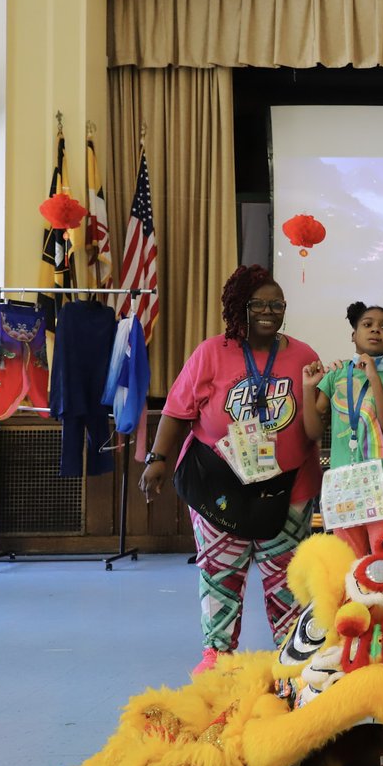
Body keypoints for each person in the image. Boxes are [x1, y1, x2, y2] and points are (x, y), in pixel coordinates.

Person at [139, 265, 321, 674]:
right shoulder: (211, 352)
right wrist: (158, 459)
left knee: (288, 579)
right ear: (239, 306)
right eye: (260, 303)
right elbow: (177, 411)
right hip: (218, 485)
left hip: (289, 488)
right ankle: (217, 655)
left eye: (277, 304)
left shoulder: (304, 354)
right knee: (220, 572)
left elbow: (314, 426)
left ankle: (290, 656)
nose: (269, 311)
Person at [300, 302, 383, 556]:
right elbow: (313, 431)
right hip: (345, 483)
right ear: (354, 335)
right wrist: (308, 389)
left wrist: (374, 376)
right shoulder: (337, 374)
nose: (376, 330)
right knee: (349, 559)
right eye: (367, 325)